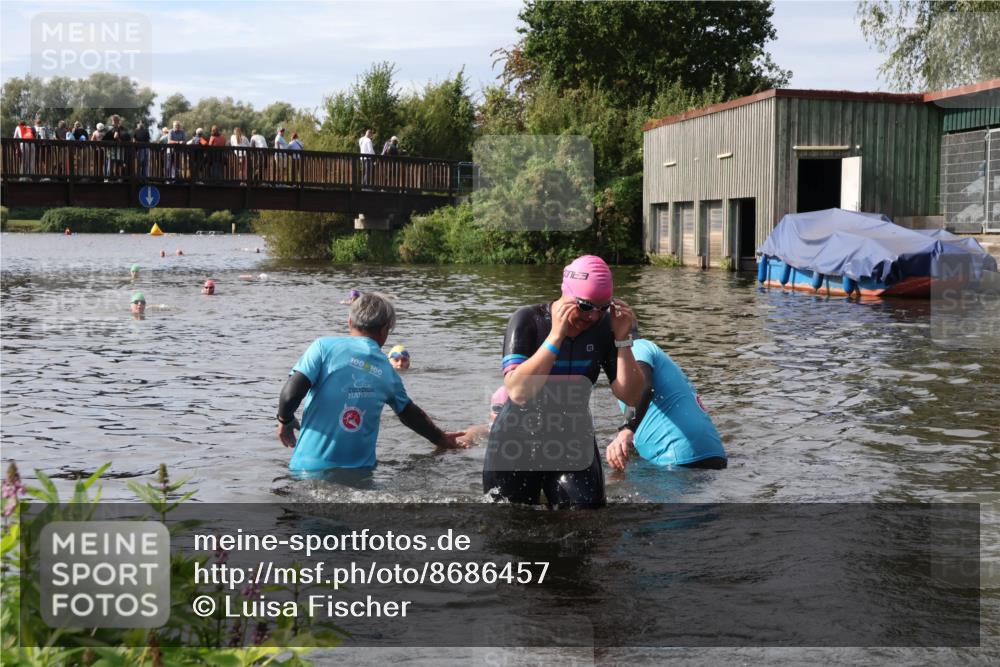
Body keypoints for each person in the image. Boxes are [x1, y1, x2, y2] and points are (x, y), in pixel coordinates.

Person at [483, 255, 644, 509]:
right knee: (511, 527)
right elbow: (518, 392)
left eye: (602, 308)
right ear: (565, 293)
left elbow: (631, 396)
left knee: (586, 524)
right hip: (515, 441)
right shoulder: (527, 320)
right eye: (584, 306)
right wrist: (556, 336)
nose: (592, 317)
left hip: (573, 440)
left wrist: (623, 339)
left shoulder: (605, 329)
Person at [276, 292, 467, 474]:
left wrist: (285, 419)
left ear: (349, 321)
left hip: (307, 469)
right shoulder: (387, 371)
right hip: (360, 475)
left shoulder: (323, 347)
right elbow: (410, 414)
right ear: (385, 331)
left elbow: (290, 394)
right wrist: (441, 439)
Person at [606, 339, 727, 471]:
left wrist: (627, 429)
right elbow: (635, 399)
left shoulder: (634, 347)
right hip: (712, 454)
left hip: (677, 458)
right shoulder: (643, 355)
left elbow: (645, 388)